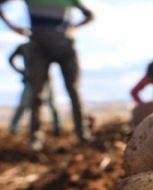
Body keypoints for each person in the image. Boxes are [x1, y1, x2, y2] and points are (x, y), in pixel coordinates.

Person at [0, 0, 94, 150]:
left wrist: (73, 27)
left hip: (65, 47)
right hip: (39, 47)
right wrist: (13, 27)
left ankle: (83, 135)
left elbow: (90, 15)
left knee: (74, 92)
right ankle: (35, 139)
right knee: (37, 95)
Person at [8, 42, 60, 136]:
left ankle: (57, 128)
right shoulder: (25, 47)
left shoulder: (46, 45)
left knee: (52, 104)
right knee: (24, 105)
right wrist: (22, 71)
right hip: (31, 80)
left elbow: (59, 57)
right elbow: (11, 59)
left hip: (46, 79)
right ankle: (13, 128)